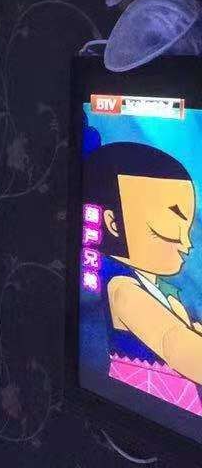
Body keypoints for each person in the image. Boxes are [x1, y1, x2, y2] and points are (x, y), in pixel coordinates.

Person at [84, 141, 202, 398]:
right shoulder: (123, 290)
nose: (187, 244)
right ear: (114, 224)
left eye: (188, 228)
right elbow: (175, 344)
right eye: (171, 230)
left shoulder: (161, 291)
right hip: (145, 400)